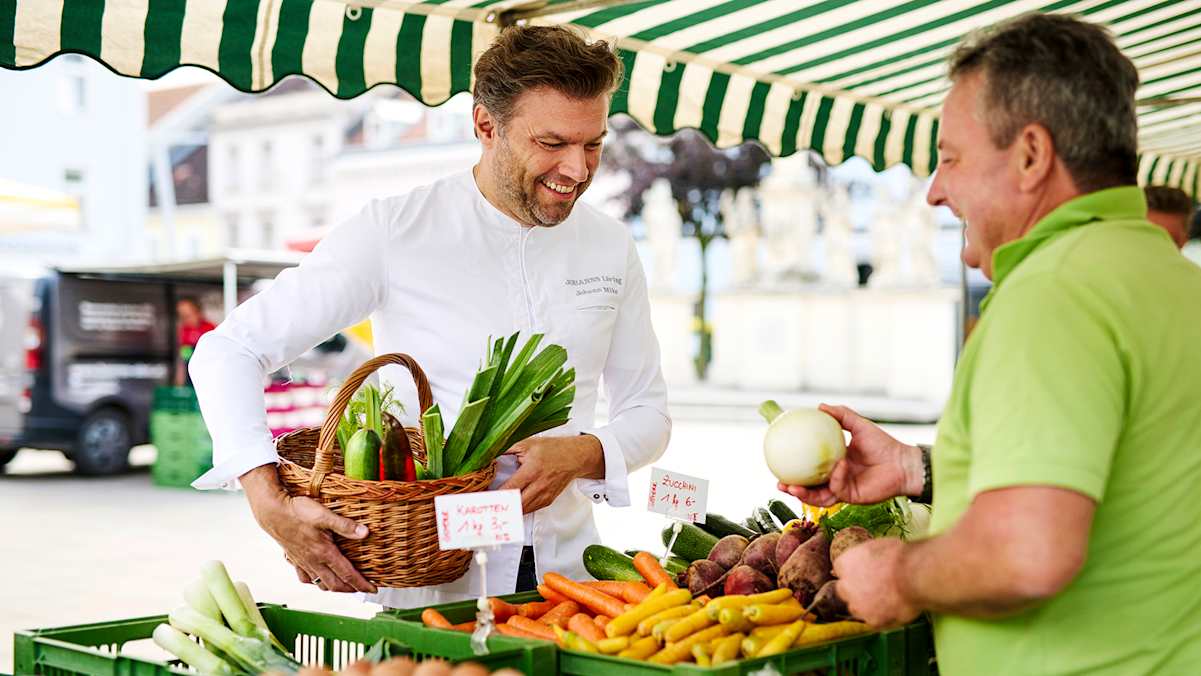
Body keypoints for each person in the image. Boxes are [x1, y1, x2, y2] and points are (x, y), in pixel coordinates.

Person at [187, 25, 670, 609]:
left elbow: (647, 412)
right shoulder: (397, 230)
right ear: (485, 126)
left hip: (569, 588)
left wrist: (583, 453)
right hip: (430, 589)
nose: (577, 169)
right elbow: (229, 351)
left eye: (592, 144)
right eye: (551, 143)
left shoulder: (610, 246)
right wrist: (268, 500)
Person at [781, 13, 1201, 675]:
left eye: (950, 157)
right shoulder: (1173, 283)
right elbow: (1120, 475)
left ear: (1031, 155)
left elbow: (1027, 552)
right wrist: (919, 471)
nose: (934, 191)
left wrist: (899, 575)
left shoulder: (1053, 293)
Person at [175, 296, 215, 387]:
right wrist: (179, 383)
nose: (185, 320)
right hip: (190, 378)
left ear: (199, 313)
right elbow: (183, 359)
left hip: (207, 376)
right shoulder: (184, 331)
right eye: (182, 316)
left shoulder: (210, 329)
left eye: (188, 315)